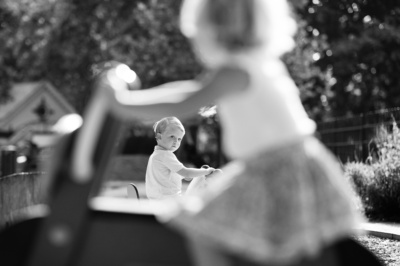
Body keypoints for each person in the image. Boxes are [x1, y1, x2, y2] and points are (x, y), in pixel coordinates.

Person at [106, 0, 364, 264]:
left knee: (201, 227)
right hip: (289, 163)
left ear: (214, 31)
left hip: (277, 167)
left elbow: (186, 100)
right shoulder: (258, 64)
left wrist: (122, 103)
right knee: (259, 243)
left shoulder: (235, 71)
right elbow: (189, 90)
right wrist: (129, 102)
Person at [146, 116, 220, 200]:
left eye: (179, 139)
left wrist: (185, 175)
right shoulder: (165, 155)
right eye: (172, 136)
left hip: (157, 200)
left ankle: (204, 174)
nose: (175, 142)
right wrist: (206, 172)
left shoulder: (155, 155)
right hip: (170, 201)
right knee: (198, 193)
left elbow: (166, 176)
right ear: (159, 137)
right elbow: (186, 173)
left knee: (201, 175)